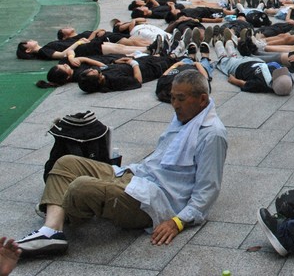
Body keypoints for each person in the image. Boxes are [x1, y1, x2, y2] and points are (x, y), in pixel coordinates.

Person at [16, 70, 227, 256]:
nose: (175, 105)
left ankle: (59, 208)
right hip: (135, 177)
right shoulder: (186, 117)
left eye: (181, 99)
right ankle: (51, 231)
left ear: (202, 99)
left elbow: (207, 190)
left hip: (153, 201)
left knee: (80, 187)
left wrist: (177, 222)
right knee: (66, 163)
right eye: (172, 98)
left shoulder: (212, 135)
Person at [213, 40, 293, 95]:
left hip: (239, 68)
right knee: (237, 58)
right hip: (256, 61)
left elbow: (243, 83)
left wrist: (233, 79)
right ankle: (233, 55)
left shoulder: (260, 85)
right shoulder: (288, 79)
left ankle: (222, 56)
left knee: (226, 62)